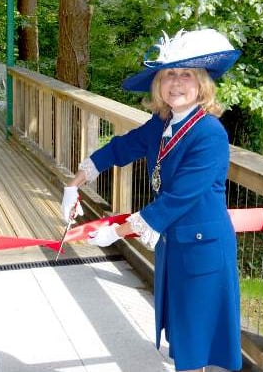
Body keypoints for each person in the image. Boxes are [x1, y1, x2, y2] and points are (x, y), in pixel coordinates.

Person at [61, 28, 243, 372]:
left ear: (202, 83)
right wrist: (75, 182)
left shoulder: (209, 134)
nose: (176, 82)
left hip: (202, 248)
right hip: (175, 243)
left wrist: (118, 231)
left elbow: (177, 199)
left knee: (194, 340)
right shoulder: (163, 122)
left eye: (186, 74)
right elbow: (120, 148)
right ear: (158, 84)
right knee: (184, 333)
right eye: (168, 74)